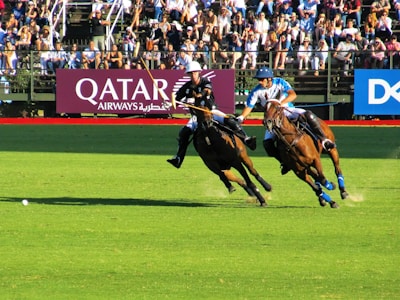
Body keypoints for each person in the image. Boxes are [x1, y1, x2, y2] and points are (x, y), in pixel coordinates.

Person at [236, 67, 336, 175]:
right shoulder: (256, 91)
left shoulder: (280, 82)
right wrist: (241, 117)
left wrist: (280, 103)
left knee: (309, 115)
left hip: (287, 110)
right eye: (259, 80)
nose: (260, 82)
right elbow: (249, 106)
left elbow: (292, 94)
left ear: (269, 79)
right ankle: (284, 163)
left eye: (262, 79)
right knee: (267, 144)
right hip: (272, 118)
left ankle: (324, 140)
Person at [167, 61, 256, 169]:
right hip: (196, 117)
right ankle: (178, 158)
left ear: (199, 72)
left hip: (211, 112)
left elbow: (207, 90)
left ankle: (246, 139)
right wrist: (168, 103)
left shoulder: (205, 81)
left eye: (195, 73)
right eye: (191, 73)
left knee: (230, 121)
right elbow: (176, 100)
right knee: (184, 133)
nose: (193, 75)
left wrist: (200, 95)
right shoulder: (187, 87)